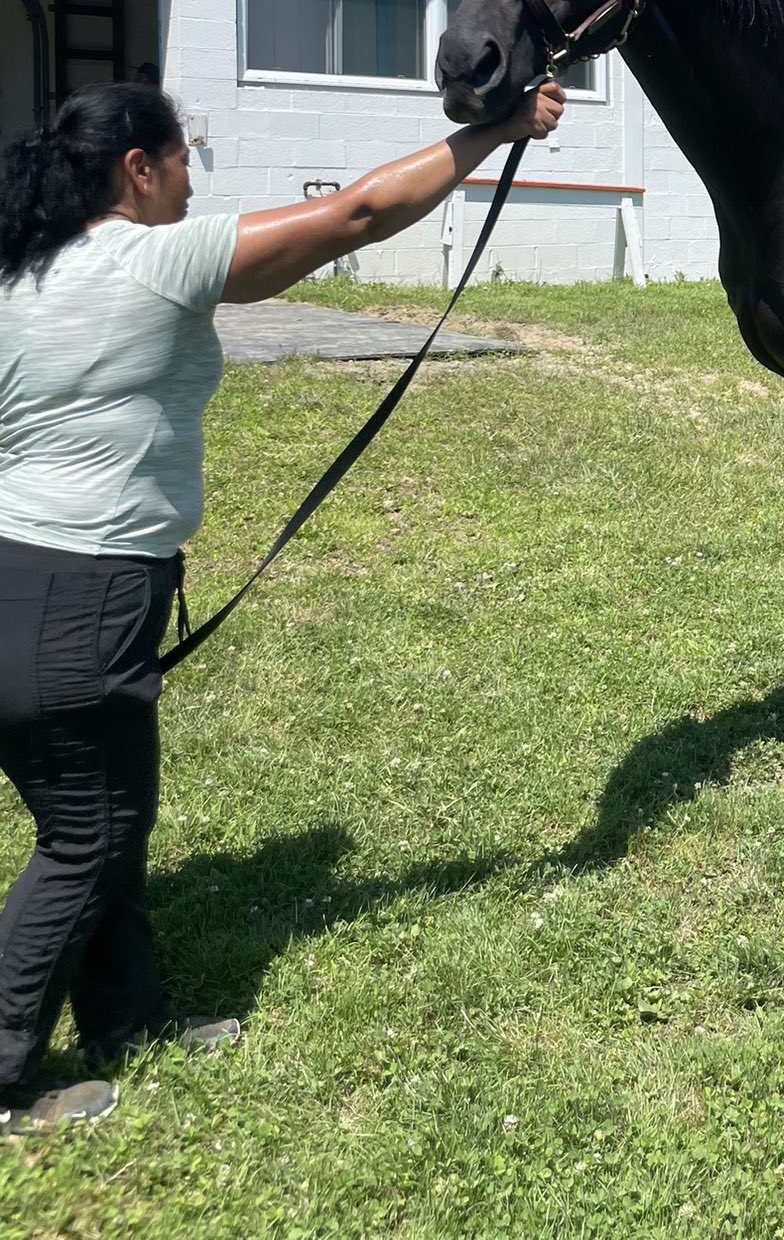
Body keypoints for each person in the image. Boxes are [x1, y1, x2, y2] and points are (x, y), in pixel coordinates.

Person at [0, 77, 563, 1132]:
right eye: (182, 160)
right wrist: (496, 129)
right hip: (80, 597)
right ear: (138, 168)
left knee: (101, 824)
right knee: (87, 835)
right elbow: (357, 211)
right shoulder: (149, 256)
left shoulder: (24, 273)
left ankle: (130, 1018)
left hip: (20, 582)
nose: (188, 180)